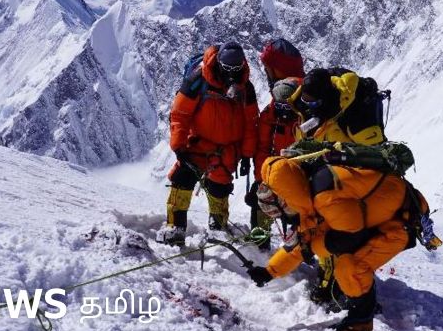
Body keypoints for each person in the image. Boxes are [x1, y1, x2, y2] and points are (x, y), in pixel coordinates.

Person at [245, 157, 427, 331]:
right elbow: (302, 244)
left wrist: (313, 247)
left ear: (285, 200)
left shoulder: (324, 197)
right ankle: (362, 296)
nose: (286, 218)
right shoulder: (305, 190)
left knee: (351, 268)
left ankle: (359, 329)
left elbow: (349, 238)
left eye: (281, 213)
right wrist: (269, 271)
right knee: (340, 256)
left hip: (401, 223)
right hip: (378, 218)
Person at [286, 66, 387, 303]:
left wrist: (341, 157)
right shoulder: (305, 104)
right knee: (323, 228)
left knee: (335, 231)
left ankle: (336, 286)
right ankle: (331, 281)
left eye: (312, 102)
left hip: (348, 181)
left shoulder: (353, 114)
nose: (307, 105)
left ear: (324, 98)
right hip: (322, 176)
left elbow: (375, 154)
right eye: (305, 100)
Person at [156, 42, 258, 246]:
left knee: (220, 187)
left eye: (236, 69)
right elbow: (180, 114)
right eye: (228, 69)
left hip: (227, 149)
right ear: (219, 63)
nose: (231, 74)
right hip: (197, 144)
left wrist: (247, 154)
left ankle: (217, 227)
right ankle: (175, 226)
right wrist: (179, 145)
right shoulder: (198, 80)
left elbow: (250, 123)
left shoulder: (245, 88)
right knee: (182, 178)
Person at [248, 38, 305, 249]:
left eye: (268, 68)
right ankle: (298, 253)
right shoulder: (276, 107)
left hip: (296, 182)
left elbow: (264, 146)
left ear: (277, 70)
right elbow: (264, 147)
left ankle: (261, 247)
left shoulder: (291, 107)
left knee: (291, 216)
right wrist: (260, 180)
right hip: (285, 179)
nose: (265, 72)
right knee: (261, 201)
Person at [290, 67, 385, 146]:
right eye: (305, 101)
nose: (309, 107)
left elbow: (374, 151)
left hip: (347, 166)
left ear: (325, 98)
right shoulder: (300, 106)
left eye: (314, 103)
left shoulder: (355, 112)